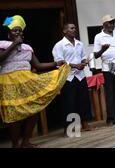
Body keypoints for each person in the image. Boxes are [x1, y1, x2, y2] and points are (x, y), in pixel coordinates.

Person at [0, 15, 69, 147]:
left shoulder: (27, 48)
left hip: (27, 82)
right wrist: (14, 44)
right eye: (14, 30)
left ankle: (26, 141)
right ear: (9, 35)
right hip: (9, 83)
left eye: (20, 30)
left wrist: (56, 63)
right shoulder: (3, 45)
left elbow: (37, 66)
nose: (18, 32)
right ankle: (15, 144)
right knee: (14, 115)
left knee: (34, 110)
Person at [52, 23, 95, 135]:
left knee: (83, 100)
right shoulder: (59, 45)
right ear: (65, 31)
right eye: (71, 28)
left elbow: (83, 57)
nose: (74, 29)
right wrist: (75, 65)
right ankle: (69, 128)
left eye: (75, 28)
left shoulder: (79, 44)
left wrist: (84, 62)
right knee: (69, 102)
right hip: (68, 77)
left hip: (80, 76)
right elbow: (59, 62)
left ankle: (84, 124)